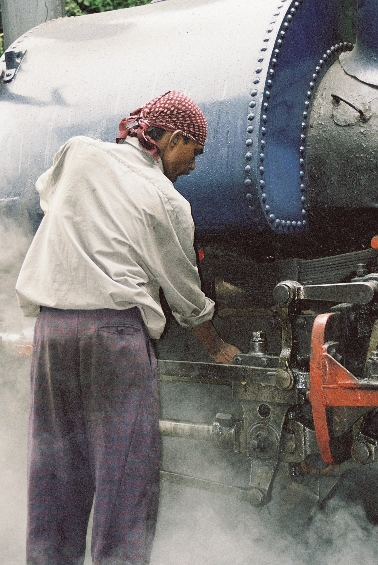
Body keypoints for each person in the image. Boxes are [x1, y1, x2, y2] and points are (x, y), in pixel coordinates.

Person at [15, 90, 240, 565]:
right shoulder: (168, 201)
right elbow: (184, 295)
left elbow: (47, 194)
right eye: (193, 152)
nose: (193, 166)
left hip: (52, 333)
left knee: (55, 470)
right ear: (174, 137)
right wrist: (217, 346)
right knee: (125, 475)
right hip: (113, 337)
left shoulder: (78, 152)